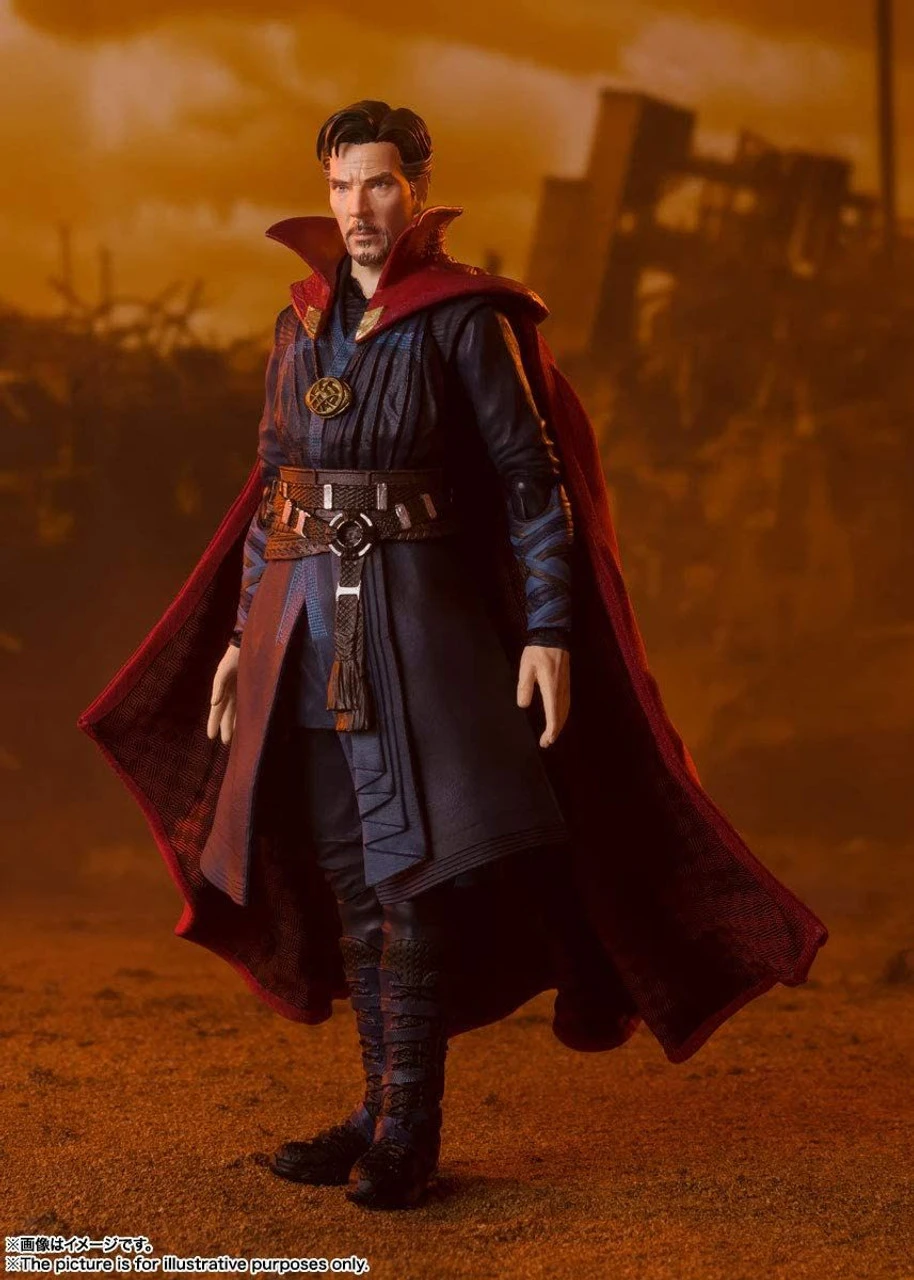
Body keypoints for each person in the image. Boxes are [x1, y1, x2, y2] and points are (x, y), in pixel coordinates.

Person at [78, 100, 828, 1214]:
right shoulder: (298, 323)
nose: (359, 207)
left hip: (414, 625)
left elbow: (532, 482)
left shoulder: (465, 320)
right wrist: (240, 638)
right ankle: (377, 1107)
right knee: (347, 869)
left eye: (379, 183)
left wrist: (549, 631)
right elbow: (274, 490)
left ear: (418, 190)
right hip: (302, 624)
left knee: (409, 870)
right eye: (342, 184)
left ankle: (410, 1131)